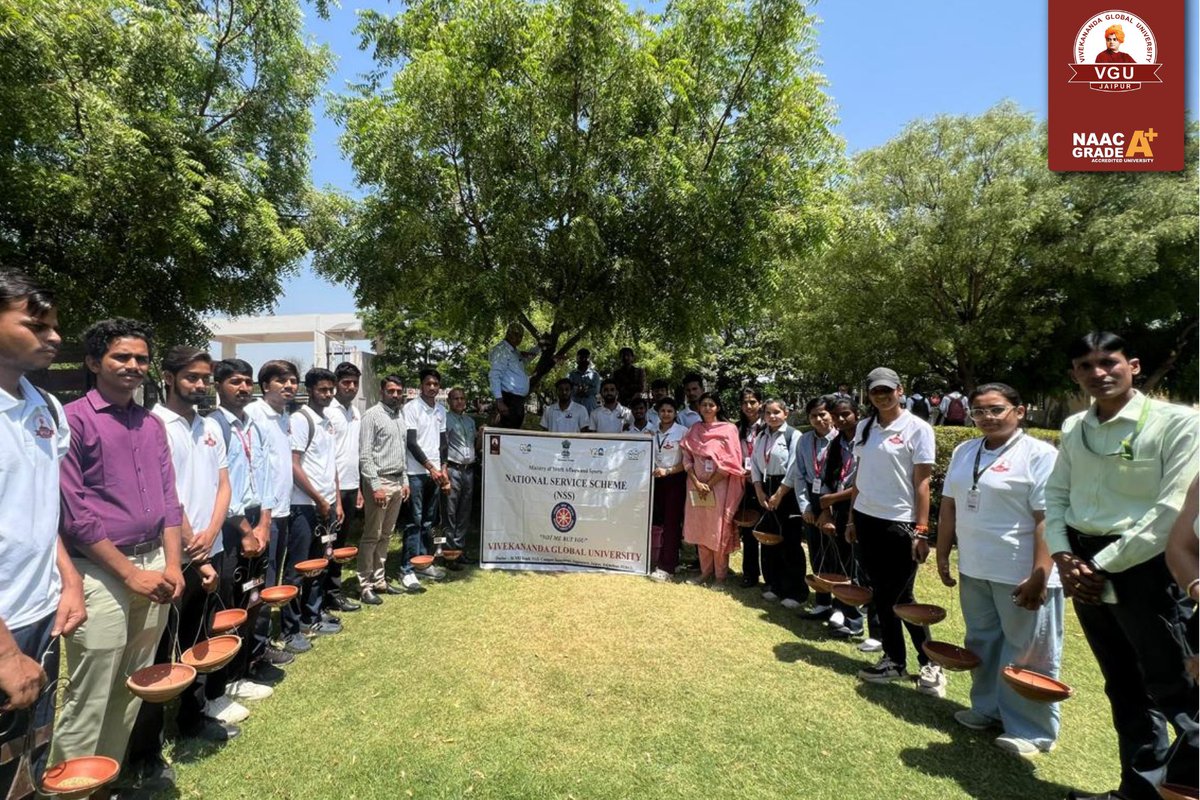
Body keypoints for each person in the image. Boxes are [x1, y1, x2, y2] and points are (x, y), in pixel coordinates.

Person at [1044, 332, 1198, 800]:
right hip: (1083, 564)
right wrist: (1063, 555)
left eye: (1108, 362)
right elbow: (1056, 496)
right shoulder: (1074, 427)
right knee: (1124, 684)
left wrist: (1101, 564)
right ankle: (1137, 791)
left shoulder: (1176, 423)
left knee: (1178, 693)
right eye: (1085, 366)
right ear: (1075, 375)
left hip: (1147, 567)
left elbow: (1171, 511)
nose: (1098, 373)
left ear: (1132, 365)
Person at [52, 318, 185, 780]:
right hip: (99, 571)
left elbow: (169, 499)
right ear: (94, 362)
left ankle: (106, 780)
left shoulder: (151, 424)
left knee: (133, 683)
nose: (133, 366)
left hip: (156, 564)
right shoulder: (72, 422)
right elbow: (75, 512)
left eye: (141, 359)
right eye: (121, 357)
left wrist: (173, 563)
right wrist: (130, 575)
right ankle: (71, 787)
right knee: (91, 690)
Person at [935, 383, 1063, 760]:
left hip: (1021, 573)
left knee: (1029, 652)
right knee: (983, 640)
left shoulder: (1040, 454)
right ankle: (987, 708)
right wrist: (942, 554)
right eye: (979, 411)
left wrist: (1040, 573)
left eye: (996, 409)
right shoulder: (964, 450)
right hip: (976, 566)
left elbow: (1048, 517)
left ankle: (1032, 730)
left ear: (1019, 411)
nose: (987, 418)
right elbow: (949, 507)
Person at [127, 347, 234, 789]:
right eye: (191, 377)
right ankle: (145, 748)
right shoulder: (154, 424)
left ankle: (191, 717)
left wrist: (211, 531)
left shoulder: (210, 425)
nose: (200, 385)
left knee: (197, 639)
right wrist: (194, 541)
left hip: (213, 544)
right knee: (156, 652)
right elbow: (164, 491)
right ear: (168, 378)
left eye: (205, 377)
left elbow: (223, 483)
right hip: (175, 554)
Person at [0, 272, 84, 800]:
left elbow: (40, 508)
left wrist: (68, 576)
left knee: (29, 751)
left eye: (53, 327)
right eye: (35, 325)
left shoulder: (44, 407)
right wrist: (5, 654)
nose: (52, 338)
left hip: (40, 611)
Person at [847, 367, 944, 697]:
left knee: (899, 595)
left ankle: (929, 663)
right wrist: (850, 519)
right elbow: (860, 476)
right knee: (884, 594)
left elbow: (923, 482)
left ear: (900, 390)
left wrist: (921, 530)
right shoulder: (865, 427)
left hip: (899, 524)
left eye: (888, 390)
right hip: (865, 518)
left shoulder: (918, 429)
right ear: (869, 394)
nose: (882, 396)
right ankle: (895, 660)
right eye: (876, 391)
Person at [209, 359, 277, 701]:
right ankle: (217, 686)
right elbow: (216, 488)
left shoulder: (252, 425)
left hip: (257, 519)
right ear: (218, 385)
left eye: (247, 382)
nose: (244, 388)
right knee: (228, 603)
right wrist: (247, 529)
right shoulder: (214, 426)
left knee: (253, 597)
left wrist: (264, 522)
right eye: (235, 382)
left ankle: (244, 670)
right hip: (230, 525)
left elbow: (262, 476)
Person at [245, 360, 304, 660]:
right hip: (261, 515)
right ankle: (257, 648)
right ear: (265, 385)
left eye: (293, 381)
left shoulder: (283, 416)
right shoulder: (255, 415)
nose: (290, 386)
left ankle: (265, 639)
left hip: (282, 510)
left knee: (273, 578)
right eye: (282, 381)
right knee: (260, 582)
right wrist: (262, 519)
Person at [816, 396, 876, 645]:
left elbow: (865, 483)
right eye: (837, 415)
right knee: (842, 563)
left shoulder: (869, 441)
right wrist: (827, 508)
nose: (841, 419)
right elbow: (827, 477)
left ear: (857, 414)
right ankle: (842, 611)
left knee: (860, 568)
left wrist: (831, 498)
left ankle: (856, 621)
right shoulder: (836, 443)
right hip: (839, 509)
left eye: (846, 414)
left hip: (863, 509)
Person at [289, 368, 344, 639]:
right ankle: (294, 625)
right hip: (304, 506)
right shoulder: (301, 419)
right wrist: (319, 499)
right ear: (309, 390)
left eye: (330, 389)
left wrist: (335, 501)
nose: (328, 394)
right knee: (300, 567)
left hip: (327, 504)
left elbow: (331, 464)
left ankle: (314, 613)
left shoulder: (328, 421)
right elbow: (293, 464)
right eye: (322, 389)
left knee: (322, 561)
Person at [680, 392, 745, 589]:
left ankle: (720, 576)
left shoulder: (728, 430)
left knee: (717, 529)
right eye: (704, 405)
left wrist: (709, 483)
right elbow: (686, 458)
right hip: (696, 486)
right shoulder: (694, 429)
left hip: (719, 486)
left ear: (718, 407)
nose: (707, 408)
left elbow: (731, 462)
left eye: (711, 404)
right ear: (699, 408)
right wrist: (697, 482)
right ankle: (705, 571)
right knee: (701, 528)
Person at [356, 375, 410, 605]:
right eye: (391, 391)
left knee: (386, 535)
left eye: (399, 391)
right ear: (382, 391)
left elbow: (401, 452)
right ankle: (365, 584)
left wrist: (405, 480)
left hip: (397, 482)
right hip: (380, 483)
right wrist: (375, 486)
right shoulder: (372, 416)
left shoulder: (399, 416)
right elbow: (365, 456)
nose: (395, 395)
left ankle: (380, 580)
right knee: (372, 535)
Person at [782, 396, 836, 616]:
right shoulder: (805, 441)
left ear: (831, 414)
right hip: (811, 501)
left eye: (822, 414)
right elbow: (800, 476)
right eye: (813, 416)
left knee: (839, 554)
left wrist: (829, 509)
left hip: (835, 500)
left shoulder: (841, 439)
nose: (818, 419)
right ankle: (822, 601)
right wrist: (805, 506)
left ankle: (844, 607)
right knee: (817, 551)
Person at [751, 398, 805, 609]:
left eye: (776, 412)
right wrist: (759, 490)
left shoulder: (794, 436)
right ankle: (774, 585)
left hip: (786, 491)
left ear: (786, 413)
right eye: (768, 413)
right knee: (769, 539)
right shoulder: (761, 435)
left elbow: (794, 467)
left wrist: (780, 493)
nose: (772, 416)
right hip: (765, 488)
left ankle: (796, 591)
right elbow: (755, 463)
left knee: (790, 541)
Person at [402, 368, 449, 591]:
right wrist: (429, 467)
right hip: (416, 473)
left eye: (435, 384)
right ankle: (407, 569)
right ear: (421, 385)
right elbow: (411, 443)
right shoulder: (411, 408)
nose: (432, 387)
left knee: (429, 520)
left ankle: (423, 563)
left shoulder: (441, 410)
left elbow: (443, 444)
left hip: (436, 474)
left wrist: (443, 470)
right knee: (415, 520)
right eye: (428, 383)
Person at [323, 362, 363, 614]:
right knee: (327, 544)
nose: (351, 387)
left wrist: (358, 488)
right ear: (337, 384)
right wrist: (336, 498)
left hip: (351, 486)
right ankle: (323, 595)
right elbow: (328, 458)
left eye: (354, 383)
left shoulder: (355, 412)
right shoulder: (329, 412)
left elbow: (354, 454)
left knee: (341, 544)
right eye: (346, 382)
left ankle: (333, 593)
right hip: (331, 491)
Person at [649, 398, 689, 581]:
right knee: (656, 522)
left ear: (675, 413)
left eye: (670, 411)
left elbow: (687, 462)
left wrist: (668, 471)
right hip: (654, 481)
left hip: (674, 480)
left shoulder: (682, 432)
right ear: (658, 412)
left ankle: (668, 567)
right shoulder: (652, 431)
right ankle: (656, 559)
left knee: (671, 523)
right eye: (662, 410)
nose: (666, 414)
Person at [444, 387, 478, 564]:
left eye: (462, 398)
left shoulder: (470, 421)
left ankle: (460, 550)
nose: (459, 401)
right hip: (453, 469)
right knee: (451, 512)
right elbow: (442, 447)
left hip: (469, 470)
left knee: (465, 511)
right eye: (456, 398)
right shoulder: (445, 419)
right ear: (449, 401)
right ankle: (449, 553)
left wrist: (481, 435)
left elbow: (475, 446)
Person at [735, 388, 765, 588]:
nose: (749, 406)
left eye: (753, 402)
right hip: (744, 483)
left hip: (766, 483)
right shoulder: (736, 429)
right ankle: (750, 574)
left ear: (760, 403)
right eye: (745, 402)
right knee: (748, 530)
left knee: (767, 529)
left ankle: (772, 577)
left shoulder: (769, 427)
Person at [488, 323, 540, 428]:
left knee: (514, 432)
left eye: (520, 335)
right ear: (508, 333)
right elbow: (495, 375)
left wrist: (539, 347)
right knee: (505, 435)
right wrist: (499, 401)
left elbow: (525, 360)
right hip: (508, 400)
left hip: (517, 402)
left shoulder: (514, 352)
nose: (518, 338)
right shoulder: (501, 350)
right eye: (515, 334)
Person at [566, 349, 601, 413]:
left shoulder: (595, 375)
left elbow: (596, 390)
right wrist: (577, 390)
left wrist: (584, 391)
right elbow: (568, 389)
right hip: (574, 409)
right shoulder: (571, 375)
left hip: (590, 409)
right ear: (577, 359)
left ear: (589, 359)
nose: (584, 359)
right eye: (581, 357)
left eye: (586, 357)